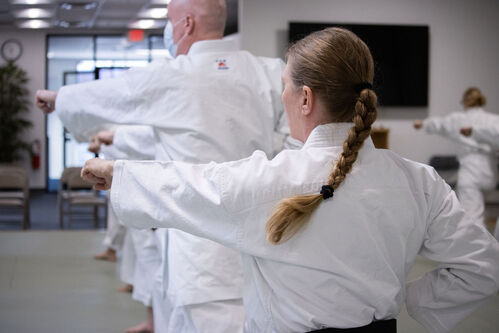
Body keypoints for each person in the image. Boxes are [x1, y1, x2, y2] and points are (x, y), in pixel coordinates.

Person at [81, 27, 499, 333]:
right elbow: (485, 267)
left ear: (304, 98)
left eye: (284, 86)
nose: (281, 96)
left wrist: (118, 173)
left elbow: (192, 185)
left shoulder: (270, 178)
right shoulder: (418, 181)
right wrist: (417, 299)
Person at [35, 0, 298, 331]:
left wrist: (59, 98)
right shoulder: (268, 70)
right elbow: (293, 141)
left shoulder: (174, 75)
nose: (168, 31)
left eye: (169, 21)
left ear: (186, 24)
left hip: (200, 252)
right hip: (261, 239)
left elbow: (115, 92)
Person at [89, 126, 158, 333]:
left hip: (149, 185)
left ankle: (154, 321)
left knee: (150, 254)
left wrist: (115, 137)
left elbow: (152, 138)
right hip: (133, 182)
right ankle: (151, 320)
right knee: (141, 248)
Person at [414, 87, 499, 227]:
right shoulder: (493, 120)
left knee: (473, 217)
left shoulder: (459, 119)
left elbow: (440, 124)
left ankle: (477, 245)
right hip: (490, 171)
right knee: (485, 214)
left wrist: (423, 124)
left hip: (470, 172)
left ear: (465, 102)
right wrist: (480, 134)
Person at [461, 123, 499, 240]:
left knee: (473, 214)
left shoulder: (459, 120)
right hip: (489, 175)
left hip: (471, 177)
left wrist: (474, 132)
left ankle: (475, 241)